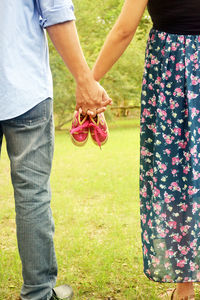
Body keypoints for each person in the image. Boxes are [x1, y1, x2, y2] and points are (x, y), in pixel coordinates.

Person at [0, 1, 111, 300]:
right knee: (32, 194)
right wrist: (84, 80)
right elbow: (56, 12)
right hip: (24, 90)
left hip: (25, 94)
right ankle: (38, 293)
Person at [92, 0, 200, 299]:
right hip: (178, 70)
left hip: (176, 70)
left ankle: (185, 288)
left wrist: (89, 80)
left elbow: (125, 30)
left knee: (178, 178)